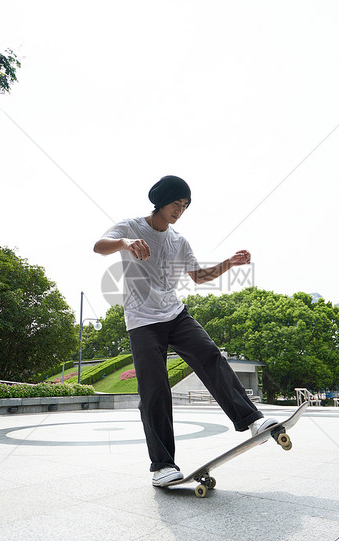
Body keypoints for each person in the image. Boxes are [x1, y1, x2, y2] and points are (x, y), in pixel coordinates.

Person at [93, 175, 278, 487]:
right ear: (160, 200)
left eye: (185, 205)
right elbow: (99, 247)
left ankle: (253, 421)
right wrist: (124, 243)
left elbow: (199, 276)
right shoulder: (131, 227)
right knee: (154, 390)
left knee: (210, 356)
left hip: (175, 314)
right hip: (142, 322)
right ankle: (162, 465)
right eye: (176, 203)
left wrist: (230, 263)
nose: (180, 210)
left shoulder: (179, 241)